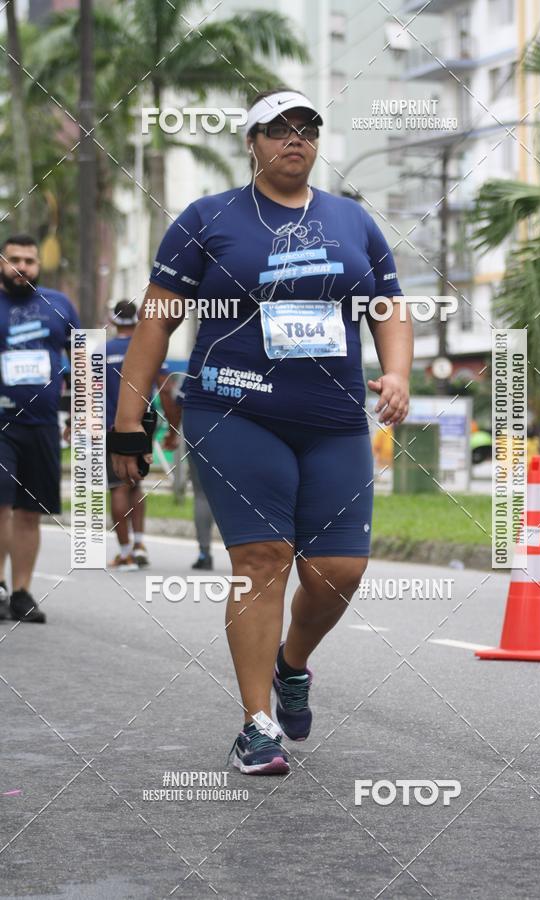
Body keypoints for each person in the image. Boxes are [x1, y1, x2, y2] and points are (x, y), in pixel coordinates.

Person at [110, 88, 413, 775]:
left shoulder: (352, 222)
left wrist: (397, 373)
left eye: (306, 128)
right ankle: (256, 724)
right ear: (251, 143)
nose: (293, 139)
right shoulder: (205, 219)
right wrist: (129, 424)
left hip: (334, 417)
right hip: (232, 408)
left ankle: (292, 664)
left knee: (339, 571)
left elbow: (389, 306)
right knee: (264, 557)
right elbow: (155, 322)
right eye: (277, 130)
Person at [0, 234, 80, 622]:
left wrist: (83, 414)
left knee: (30, 511)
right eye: (14, 259)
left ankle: (20, 592)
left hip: (43, 425)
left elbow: (84, 362)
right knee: (0, 505)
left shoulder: (59, 305)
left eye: (29, 261)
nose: (22, 267)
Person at [105, 300, 177, 569]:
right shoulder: (149, 347)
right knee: (136, 483)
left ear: (112, 321)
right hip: (144, 423)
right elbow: (167, 389)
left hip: (110, 426)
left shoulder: (99, 351)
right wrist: (172, 427)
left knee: (118, 485)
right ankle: (139, 544)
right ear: (137, 320)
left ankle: (125, 553)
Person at [164, 379, 215, 570]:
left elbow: (177, 399)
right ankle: (249, 552)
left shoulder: (198, 369)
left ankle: (205, 553)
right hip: (238, 438)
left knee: (202, 495)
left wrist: (172, 432)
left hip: (201, 437)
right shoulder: (246, 364)